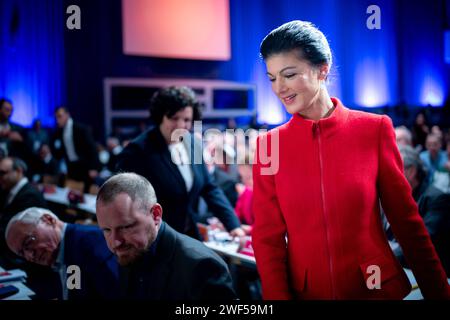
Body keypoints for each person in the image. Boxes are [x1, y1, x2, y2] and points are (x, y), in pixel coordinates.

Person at [252, 20, 450, 299]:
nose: (279, 88)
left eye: (289, 74)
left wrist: (439, 292)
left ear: (322, 70)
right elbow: (266, 240)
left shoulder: (374, 129)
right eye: (272, 78)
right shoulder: (268, 145)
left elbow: (406, 221)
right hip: (309, 293)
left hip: (376, 289)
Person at [116, 86, 244, 240]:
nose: (181, 125)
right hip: (153, 239)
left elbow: (209, 188)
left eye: (186, 120)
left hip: (187, 233)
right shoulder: (138, 150)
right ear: (161, 116)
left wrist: (234, 225)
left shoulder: (193, 144)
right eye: (174, 118)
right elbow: (125, 201)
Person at [95, 172, 237, 300]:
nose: (115, 242)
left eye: (126, 227)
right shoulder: (127, 251)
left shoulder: (201, 267)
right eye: (106, 230)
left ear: (156, 215)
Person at [5, 207, 120, 299]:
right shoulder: (63, 252)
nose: (30, 256)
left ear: (49, 220)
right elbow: (76, 290)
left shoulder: (91, 245)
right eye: (22, 253)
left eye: (29, 242)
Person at [383, 145, 450, 277]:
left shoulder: (437, 199)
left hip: (433, 277)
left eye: (392, 169)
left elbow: (420, 245)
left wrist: (384, 260)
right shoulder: (394, 196)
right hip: (403, 270)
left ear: (411, 171)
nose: (387, 175)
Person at [53, 106, 100, 192]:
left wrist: (94, 168)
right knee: (72, 191)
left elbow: (92, 148)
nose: (57, 120)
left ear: (67, 115)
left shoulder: (81, 128)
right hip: (71, 166)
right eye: (56, 117)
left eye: (60, 116)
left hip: (85, 166)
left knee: (87, 192)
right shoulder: (59, 132)